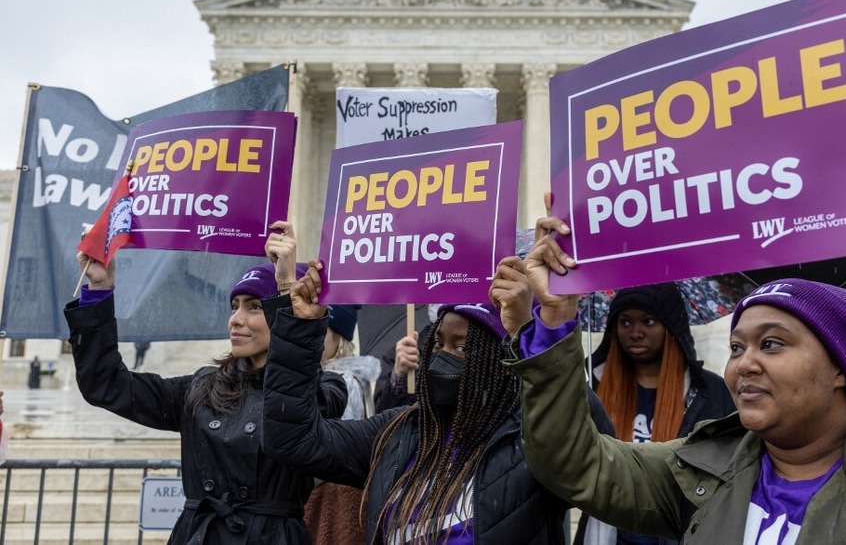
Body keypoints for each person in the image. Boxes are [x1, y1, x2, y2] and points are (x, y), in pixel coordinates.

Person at [503, 125, 846, 542]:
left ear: (840, 367)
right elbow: (575, 465)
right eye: (737, 346)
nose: (744, 363)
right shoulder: (702, 469)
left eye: (771, 343)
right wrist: (555, 318)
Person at [261, 255, 614, 543]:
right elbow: (294, 439)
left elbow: (597, 462)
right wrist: (300, 327)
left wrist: (531, 337)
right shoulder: (399, 433)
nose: (443, 356)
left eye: (461, 347)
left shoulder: (531, 440)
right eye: (438, 343)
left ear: (500, 359)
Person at [64, 221, 348, 543]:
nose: (235, 319)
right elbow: (107, 385)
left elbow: (291, 404)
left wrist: (286, 288)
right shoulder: (202, 388)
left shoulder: (328, 390)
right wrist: (100, 289)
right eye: (234, 306)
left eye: (254, 307)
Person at [577, 283, 735, 545]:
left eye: (649, 321)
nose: (635, 332)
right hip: (604, 531)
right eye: (625, 322)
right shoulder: (593, 386)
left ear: (671, 328)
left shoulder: (710, 392)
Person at [303, 302, 380, 545]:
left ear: (340, 339)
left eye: (321, 330)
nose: (311, 337)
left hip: (332, 495)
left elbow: (330, 446)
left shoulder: (344, 380)